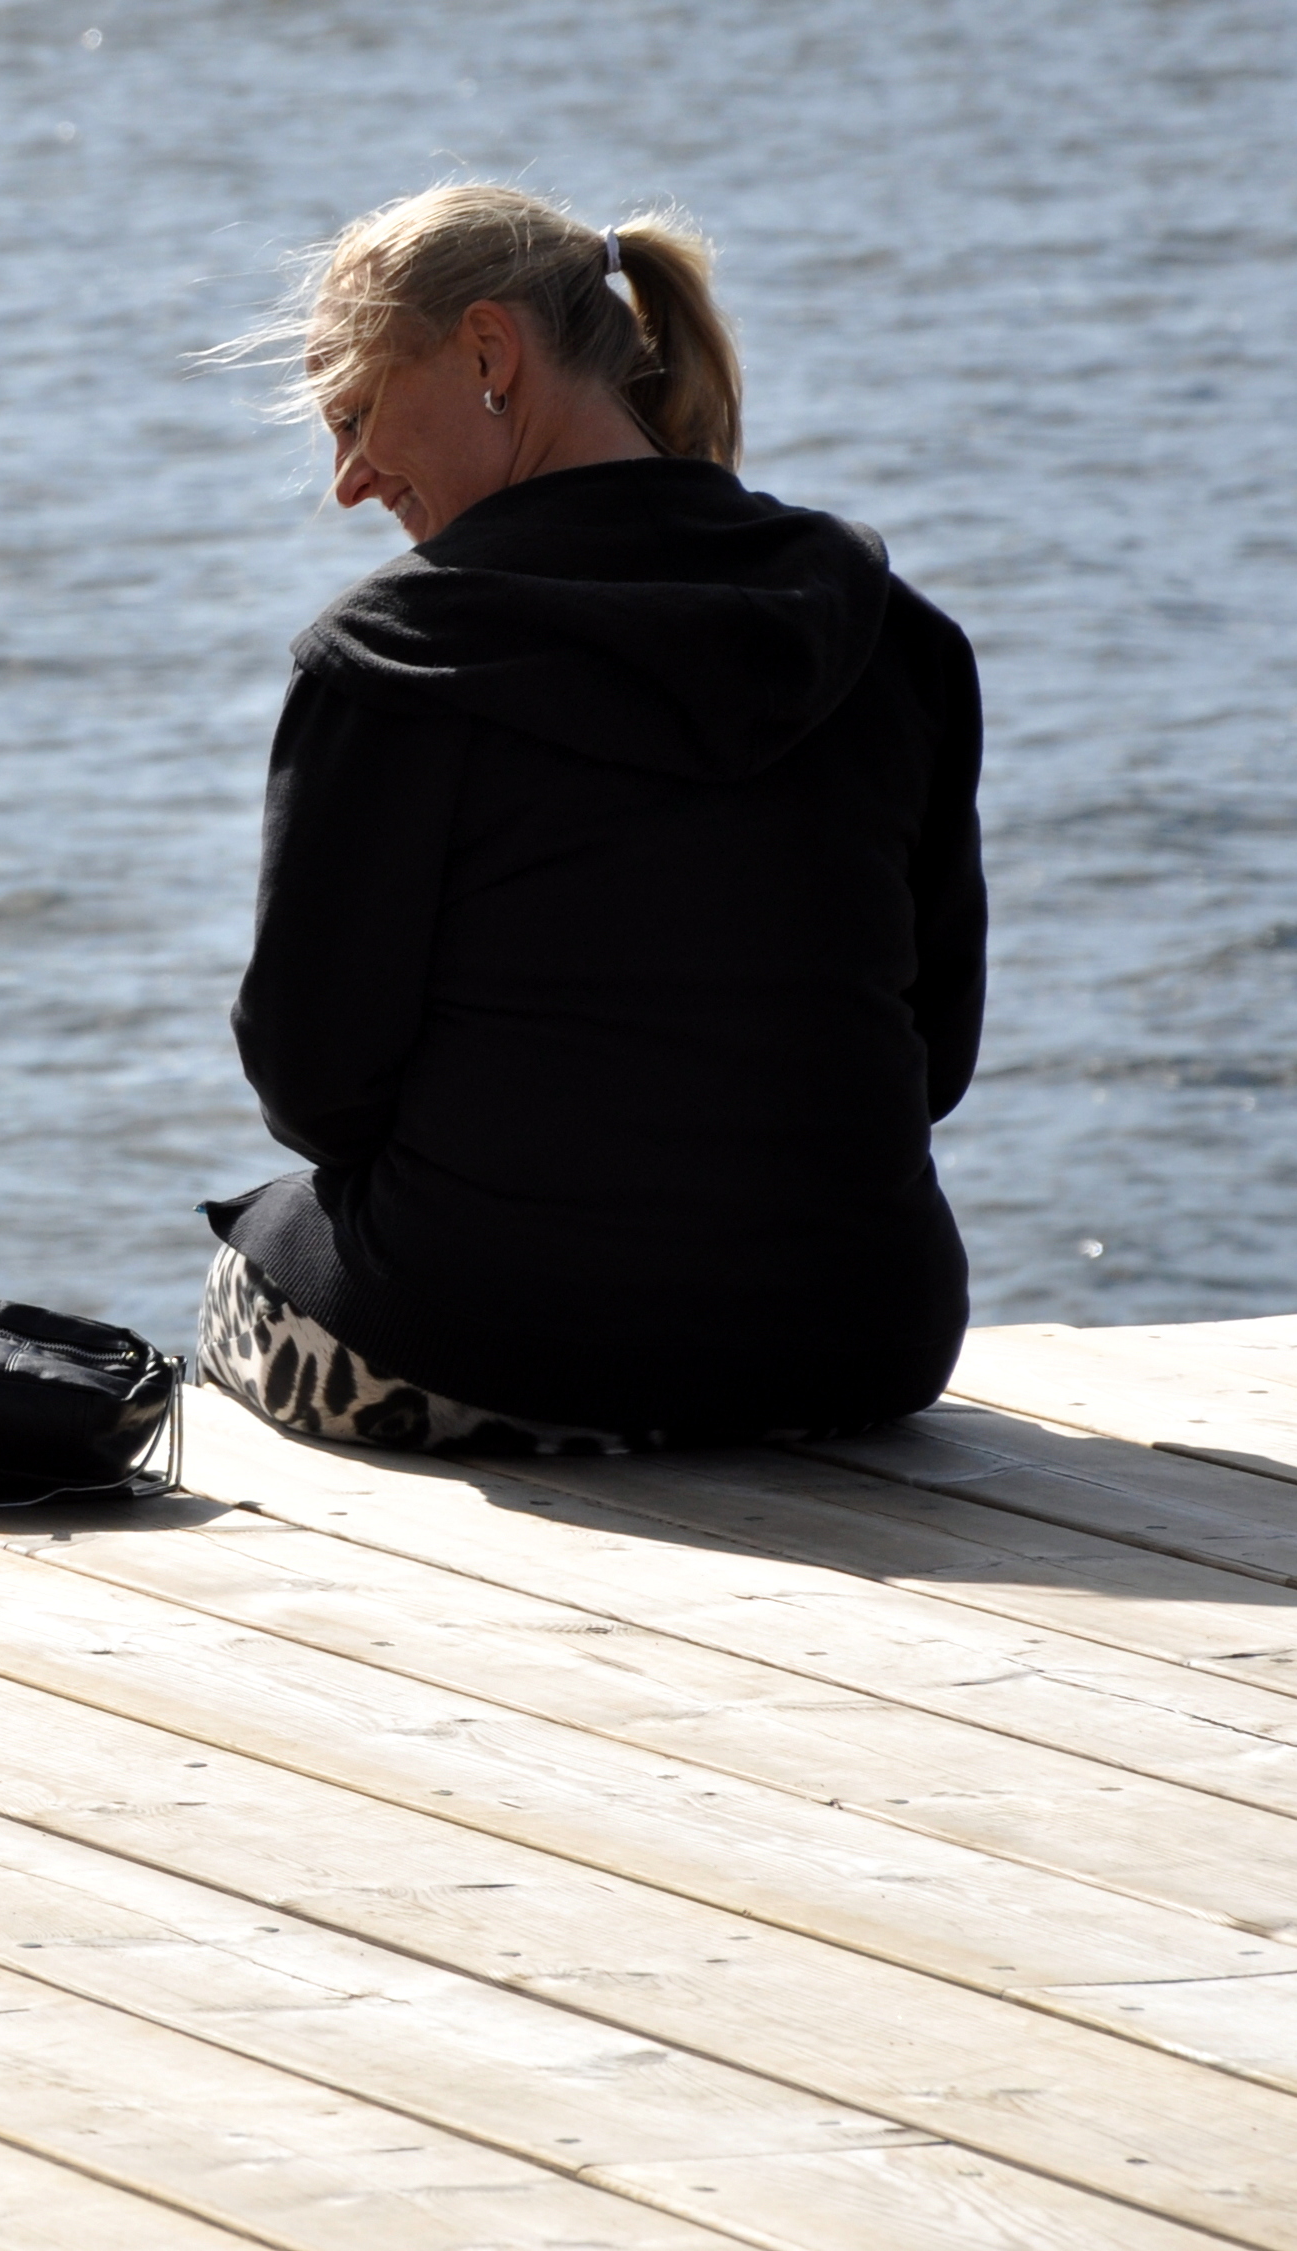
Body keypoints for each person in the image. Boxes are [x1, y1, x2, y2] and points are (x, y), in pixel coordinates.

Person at [202, 184, 986, 1453]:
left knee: (249, 1250)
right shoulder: (891, 636)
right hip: (856, 1342)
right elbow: (932, 1063)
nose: (346, 483)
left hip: (489, 1345)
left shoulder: (392, 661)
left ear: (487, 353)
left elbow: (314, 1089)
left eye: (351, 415)